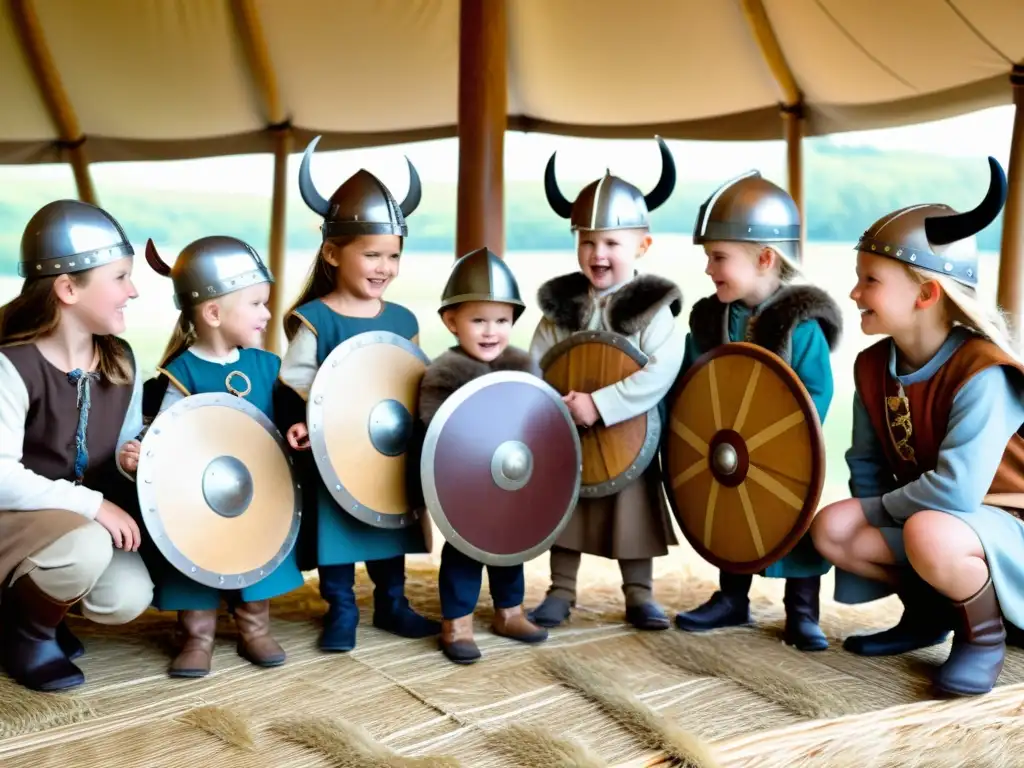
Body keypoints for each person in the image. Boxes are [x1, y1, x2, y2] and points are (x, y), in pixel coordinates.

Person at [810, 157, 1024, 696]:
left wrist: (877, 509)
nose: (855, 294)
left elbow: (956, 489)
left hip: (1009, 524)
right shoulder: (871, 366)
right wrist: (866, 505)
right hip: (939, 522)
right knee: (831, 527)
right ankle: (929, 613)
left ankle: (984, 636)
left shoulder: (983, 371)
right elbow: (866, 463)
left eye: (870, 281)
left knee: (925, 528)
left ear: (926, 294)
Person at [277, 136, 439, 651]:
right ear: (332, 252)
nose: (383, 267)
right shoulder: (317, 318)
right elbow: (295, 379)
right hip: (336, 450)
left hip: (388, 447)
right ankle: (342, 609)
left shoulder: (402, 320)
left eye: (392, 255)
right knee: (339, 527)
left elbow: (411, 378)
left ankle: (393, 602)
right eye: (371, 254)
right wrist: (300, 420)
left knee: (388, 522)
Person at [673, 171, 842, 651]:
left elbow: (815, 393)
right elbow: (694, 388)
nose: (709, 269)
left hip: (786, 455)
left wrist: (781, 438)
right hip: (725, 445)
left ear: (765, 258)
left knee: (793, 517)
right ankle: (732, 599)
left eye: (719, 257)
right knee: (729, 515)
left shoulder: (800, 327)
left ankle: (803, 612)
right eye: (709, 257)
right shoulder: (713, 322)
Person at [527, 137, 685, 631]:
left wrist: (603, 404)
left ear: (642, 245)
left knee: (631, 513)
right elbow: (538, 366)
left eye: (612, 243)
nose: (598, 254)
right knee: (565, 509)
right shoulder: (561, 307)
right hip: (567, 432)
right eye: (587, 241)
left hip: (628, 434)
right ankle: (560, 591)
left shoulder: (653, 307)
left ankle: (640, 595)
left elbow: (662, 367)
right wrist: (558, 407)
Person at [0, 200, 154, 692]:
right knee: (84, 546)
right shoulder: (12, 365)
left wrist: (136, 460)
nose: (132, 290)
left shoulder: (121, 360)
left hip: (70, 528)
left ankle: (39, 609)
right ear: (68, 288)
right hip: (13, 523)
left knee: (126, 595)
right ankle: (27, 635)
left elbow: (123, 441)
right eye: (120, 277)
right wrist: (94, 506)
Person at [134, 235, 304, 677]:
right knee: (194, 557)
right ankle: (198, 637)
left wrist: (296, 427)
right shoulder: (182, 372)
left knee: (257, 548)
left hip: (256, 487)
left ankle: (254, 628)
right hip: (197, 496)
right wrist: (144, 451)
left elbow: (285, 411)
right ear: (213, 312)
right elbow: (166, 432)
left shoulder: (266, 366)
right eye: (257, 304)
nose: (268, 314)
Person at [418, 247, 549, 663]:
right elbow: (439, 431)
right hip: (467, 487)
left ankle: (509, 611)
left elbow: (537, 425)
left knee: (511, 544)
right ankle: (457, 622)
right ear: (451, 321)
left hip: (512, 483)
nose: (491, 331)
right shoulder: (444, 374)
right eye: (478, 320)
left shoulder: (522, 367)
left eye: (501, 320)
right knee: (463, 551)